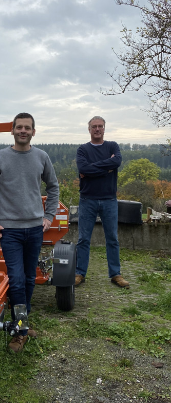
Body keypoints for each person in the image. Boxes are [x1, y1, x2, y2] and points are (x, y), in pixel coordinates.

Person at [0, 113, 59, 353]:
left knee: (28, 279)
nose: (23, 131)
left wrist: (48, 217)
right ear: (13, 130)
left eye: (27, 127)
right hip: (10, 231)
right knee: (16, 280)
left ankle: (21, 325)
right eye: (19, 127)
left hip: (35, 229)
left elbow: (53, 186)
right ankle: (20, 330)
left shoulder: (41, 157)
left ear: (33, 132)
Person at [75, 116, 129, 289]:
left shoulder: (112, 146)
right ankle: (79, 273)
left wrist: (93, 169)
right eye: (94, 126)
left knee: (112, 238)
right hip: (87, 199)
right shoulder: (83, 149)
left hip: (109, 200)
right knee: (83, 239)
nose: (97, 129)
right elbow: (83, 169)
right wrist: (107, 168)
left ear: (104, 128)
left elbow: (117, 161)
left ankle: (116, 274)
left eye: (100, 126)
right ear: (89, 129)